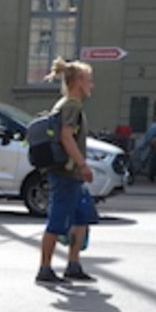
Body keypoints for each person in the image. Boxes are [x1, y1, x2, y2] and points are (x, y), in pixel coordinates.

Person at [35, 57, 97, 285]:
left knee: (82, 218)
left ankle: (73, 264)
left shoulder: (68, 105)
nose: (92, 85)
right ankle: (44, 268)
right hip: (66, 174)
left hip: (73, 176)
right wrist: (82, 164)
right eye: (89, 80)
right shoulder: (71, 105)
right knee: (57, 221)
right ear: (78, 82)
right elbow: (65, 135)